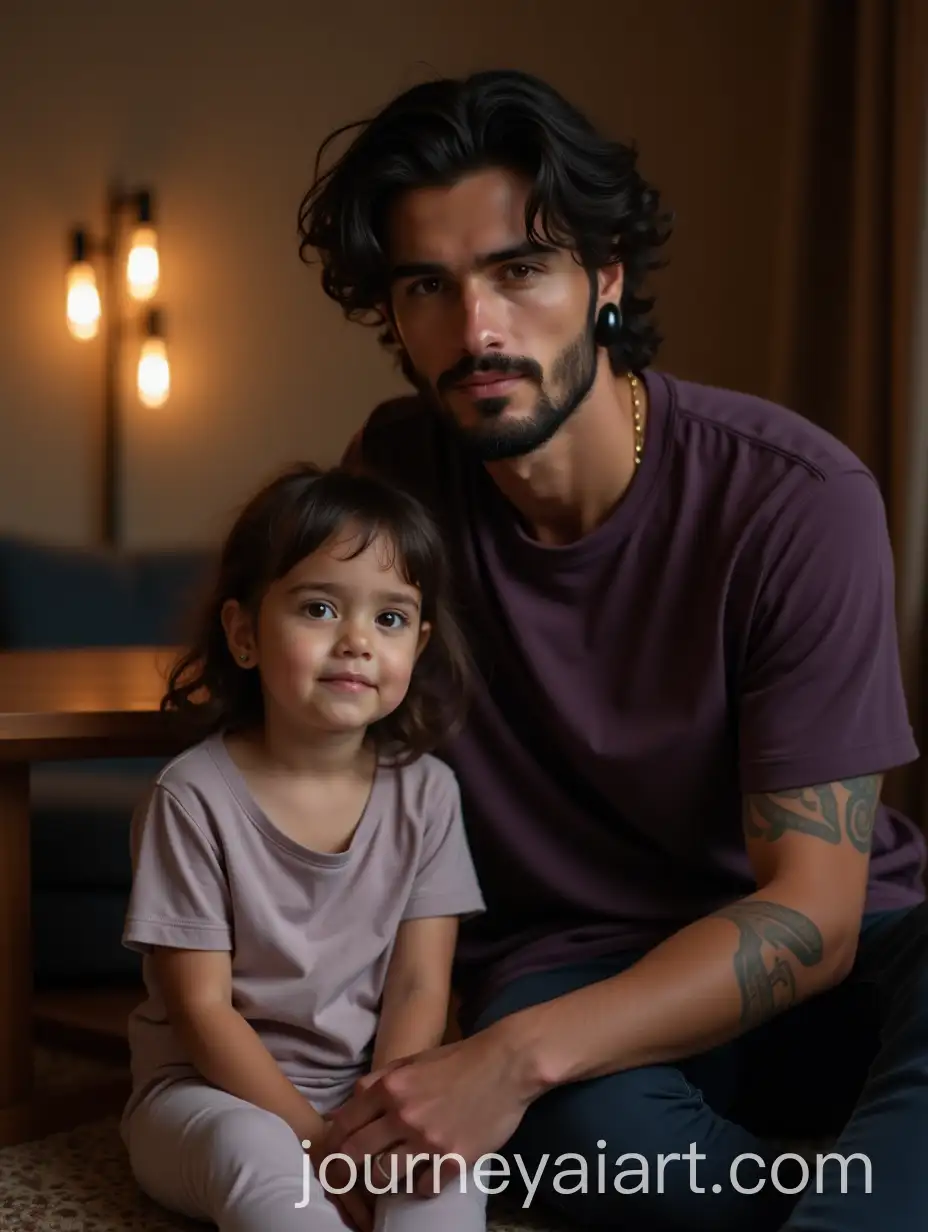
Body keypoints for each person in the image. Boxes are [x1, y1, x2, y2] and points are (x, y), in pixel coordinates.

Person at [294, 68, 928, 1231]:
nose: (476, 329)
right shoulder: (396, 479)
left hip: (842, 959)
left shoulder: (795, 496)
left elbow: (815, 914)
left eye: (518, 269)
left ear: (607, 275)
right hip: (576, 966)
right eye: (428, 284)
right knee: (574, 1143)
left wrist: (509, 1057)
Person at [118, 462, 490, 1232]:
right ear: (244, 635)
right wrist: (318, 1144)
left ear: (419, 645)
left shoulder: (429, 794)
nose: (357, 641)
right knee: (256, 1153)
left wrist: (381, 1123)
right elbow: (201, 1010)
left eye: (391, 619)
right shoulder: (191, 797)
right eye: (319, 608)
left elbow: (419, 987)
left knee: (449, 1160)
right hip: (208, 1096)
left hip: (363, 1092)